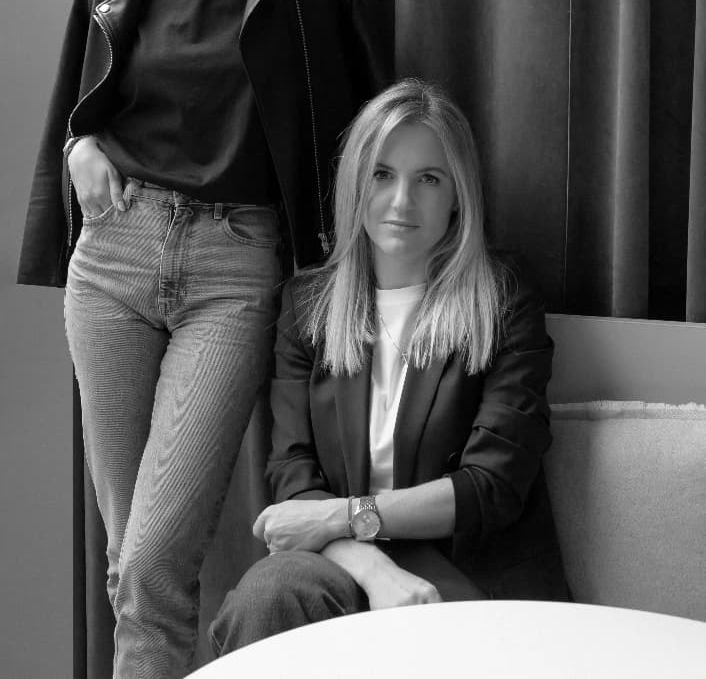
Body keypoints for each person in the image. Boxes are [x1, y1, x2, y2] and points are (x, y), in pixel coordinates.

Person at [17, 0, 380, 678]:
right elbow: (76, 115)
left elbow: (361, 132)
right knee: (132, 567)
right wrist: (77, 148)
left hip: (234, 270)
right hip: (112, 268)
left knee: (150, 563)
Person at [209, 78, 570, 655]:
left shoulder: (503, 298)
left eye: (428, 178)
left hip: (471, 579)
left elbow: (491, 487)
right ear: (356, 182)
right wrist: (374, 568)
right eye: (382, 174)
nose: (402, 202)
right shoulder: (308, 306)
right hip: (347, 572)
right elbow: (294, 479)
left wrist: (347, 517)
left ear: (458, 196)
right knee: (269, 595)